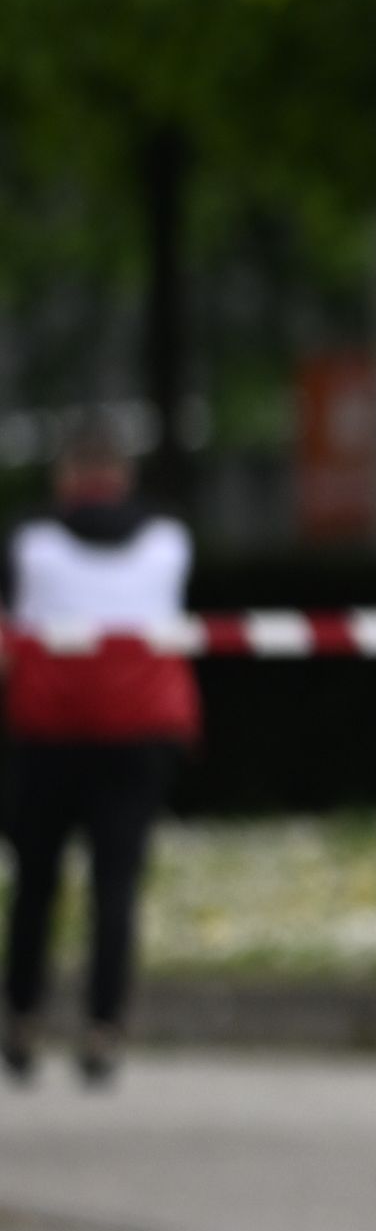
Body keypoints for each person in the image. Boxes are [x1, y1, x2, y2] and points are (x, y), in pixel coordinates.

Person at [7, 435, 200, 1088]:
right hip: (140, 734)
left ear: (66, 477)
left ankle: (22, 1016)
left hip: (48, 733)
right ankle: (103, 1026)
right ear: (124, 477)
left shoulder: (29, 541)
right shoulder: (170, 539)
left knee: (35, 882)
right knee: (116, 883)